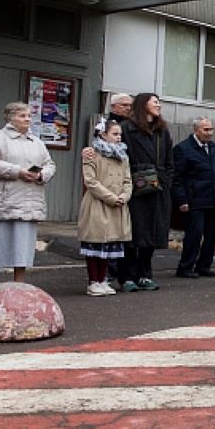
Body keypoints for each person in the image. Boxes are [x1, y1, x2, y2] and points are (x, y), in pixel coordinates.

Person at [0, 102, 55, 285]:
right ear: (10, 118)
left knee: (23, 247)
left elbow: (50, 164)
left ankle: (19, 286)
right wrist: (18, 171)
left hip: (29, 200)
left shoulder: (37, 142)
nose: (27, 119)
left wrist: (41, 174)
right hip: (4, 200)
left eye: (29, 115)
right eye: (22, 116)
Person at [121, 93, 173, 292]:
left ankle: (145, 274)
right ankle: (127, 276)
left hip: (158, 188)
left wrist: (167, 179)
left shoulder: (162, 131)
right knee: (134, 233)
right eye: (154, 102)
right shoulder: (127, 128)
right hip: (136, 187)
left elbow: (170, 160)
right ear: (143, 105)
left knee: (152, 233)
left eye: (159, 102)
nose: (158, 105)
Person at [79, 118, 131, 296]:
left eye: (120, 135)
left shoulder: (122, 157)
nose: (118, 138)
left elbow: (127, 180)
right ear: (103, 134)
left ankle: (103, 279)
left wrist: (124, 196)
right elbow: (90, 181)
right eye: (115, 134)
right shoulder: (92, 154)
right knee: (96, 242)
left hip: (117, 205)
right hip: (98, 204)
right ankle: (93, 280)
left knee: (109, 244)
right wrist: (110, 197)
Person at [172, 117, 215, 278]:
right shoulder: (183, 149)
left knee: (211, 236)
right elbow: (177, 178)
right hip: (195, 200)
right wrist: (182, 200)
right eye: (206, 130)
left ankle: (204, 266)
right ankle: (185, 267)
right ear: (196, 130)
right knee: (194, 235)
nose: (210, 133)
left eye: (211, 129)